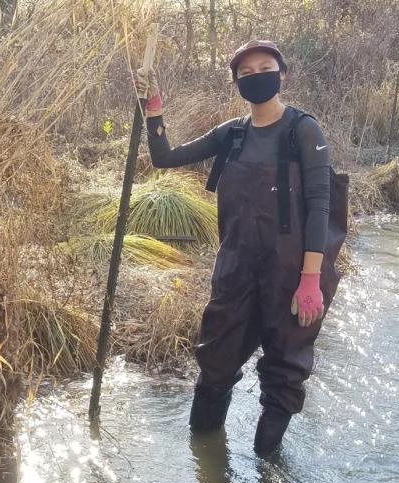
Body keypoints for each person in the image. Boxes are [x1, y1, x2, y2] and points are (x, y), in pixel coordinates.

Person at [135, 41, 346, 457]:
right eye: (245, 73)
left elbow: (320, 204)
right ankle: (206, 462)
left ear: (281, 74)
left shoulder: (304, 131)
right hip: (235, 268)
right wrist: (153, 106)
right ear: (236, 82)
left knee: (284, 372)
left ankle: (269, 469)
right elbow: (164, 157)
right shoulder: (231, 134)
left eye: (264, 68)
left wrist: (310, 280)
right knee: (215, 363)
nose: (256, 77)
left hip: (291, 272)